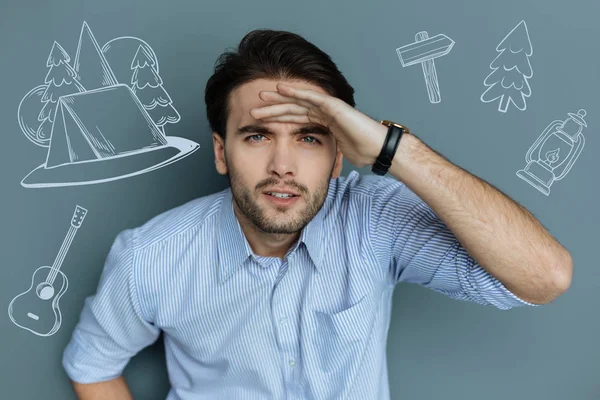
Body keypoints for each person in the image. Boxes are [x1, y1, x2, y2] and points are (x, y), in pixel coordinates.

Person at [62, 29, 573, 400]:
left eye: (309, 138)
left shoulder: (375, 220)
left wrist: (394, 149)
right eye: (257, 136)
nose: (282, 166)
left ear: (338, 156)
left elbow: (545, 276)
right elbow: (92, 365)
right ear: (221, 153)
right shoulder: (149, 257)